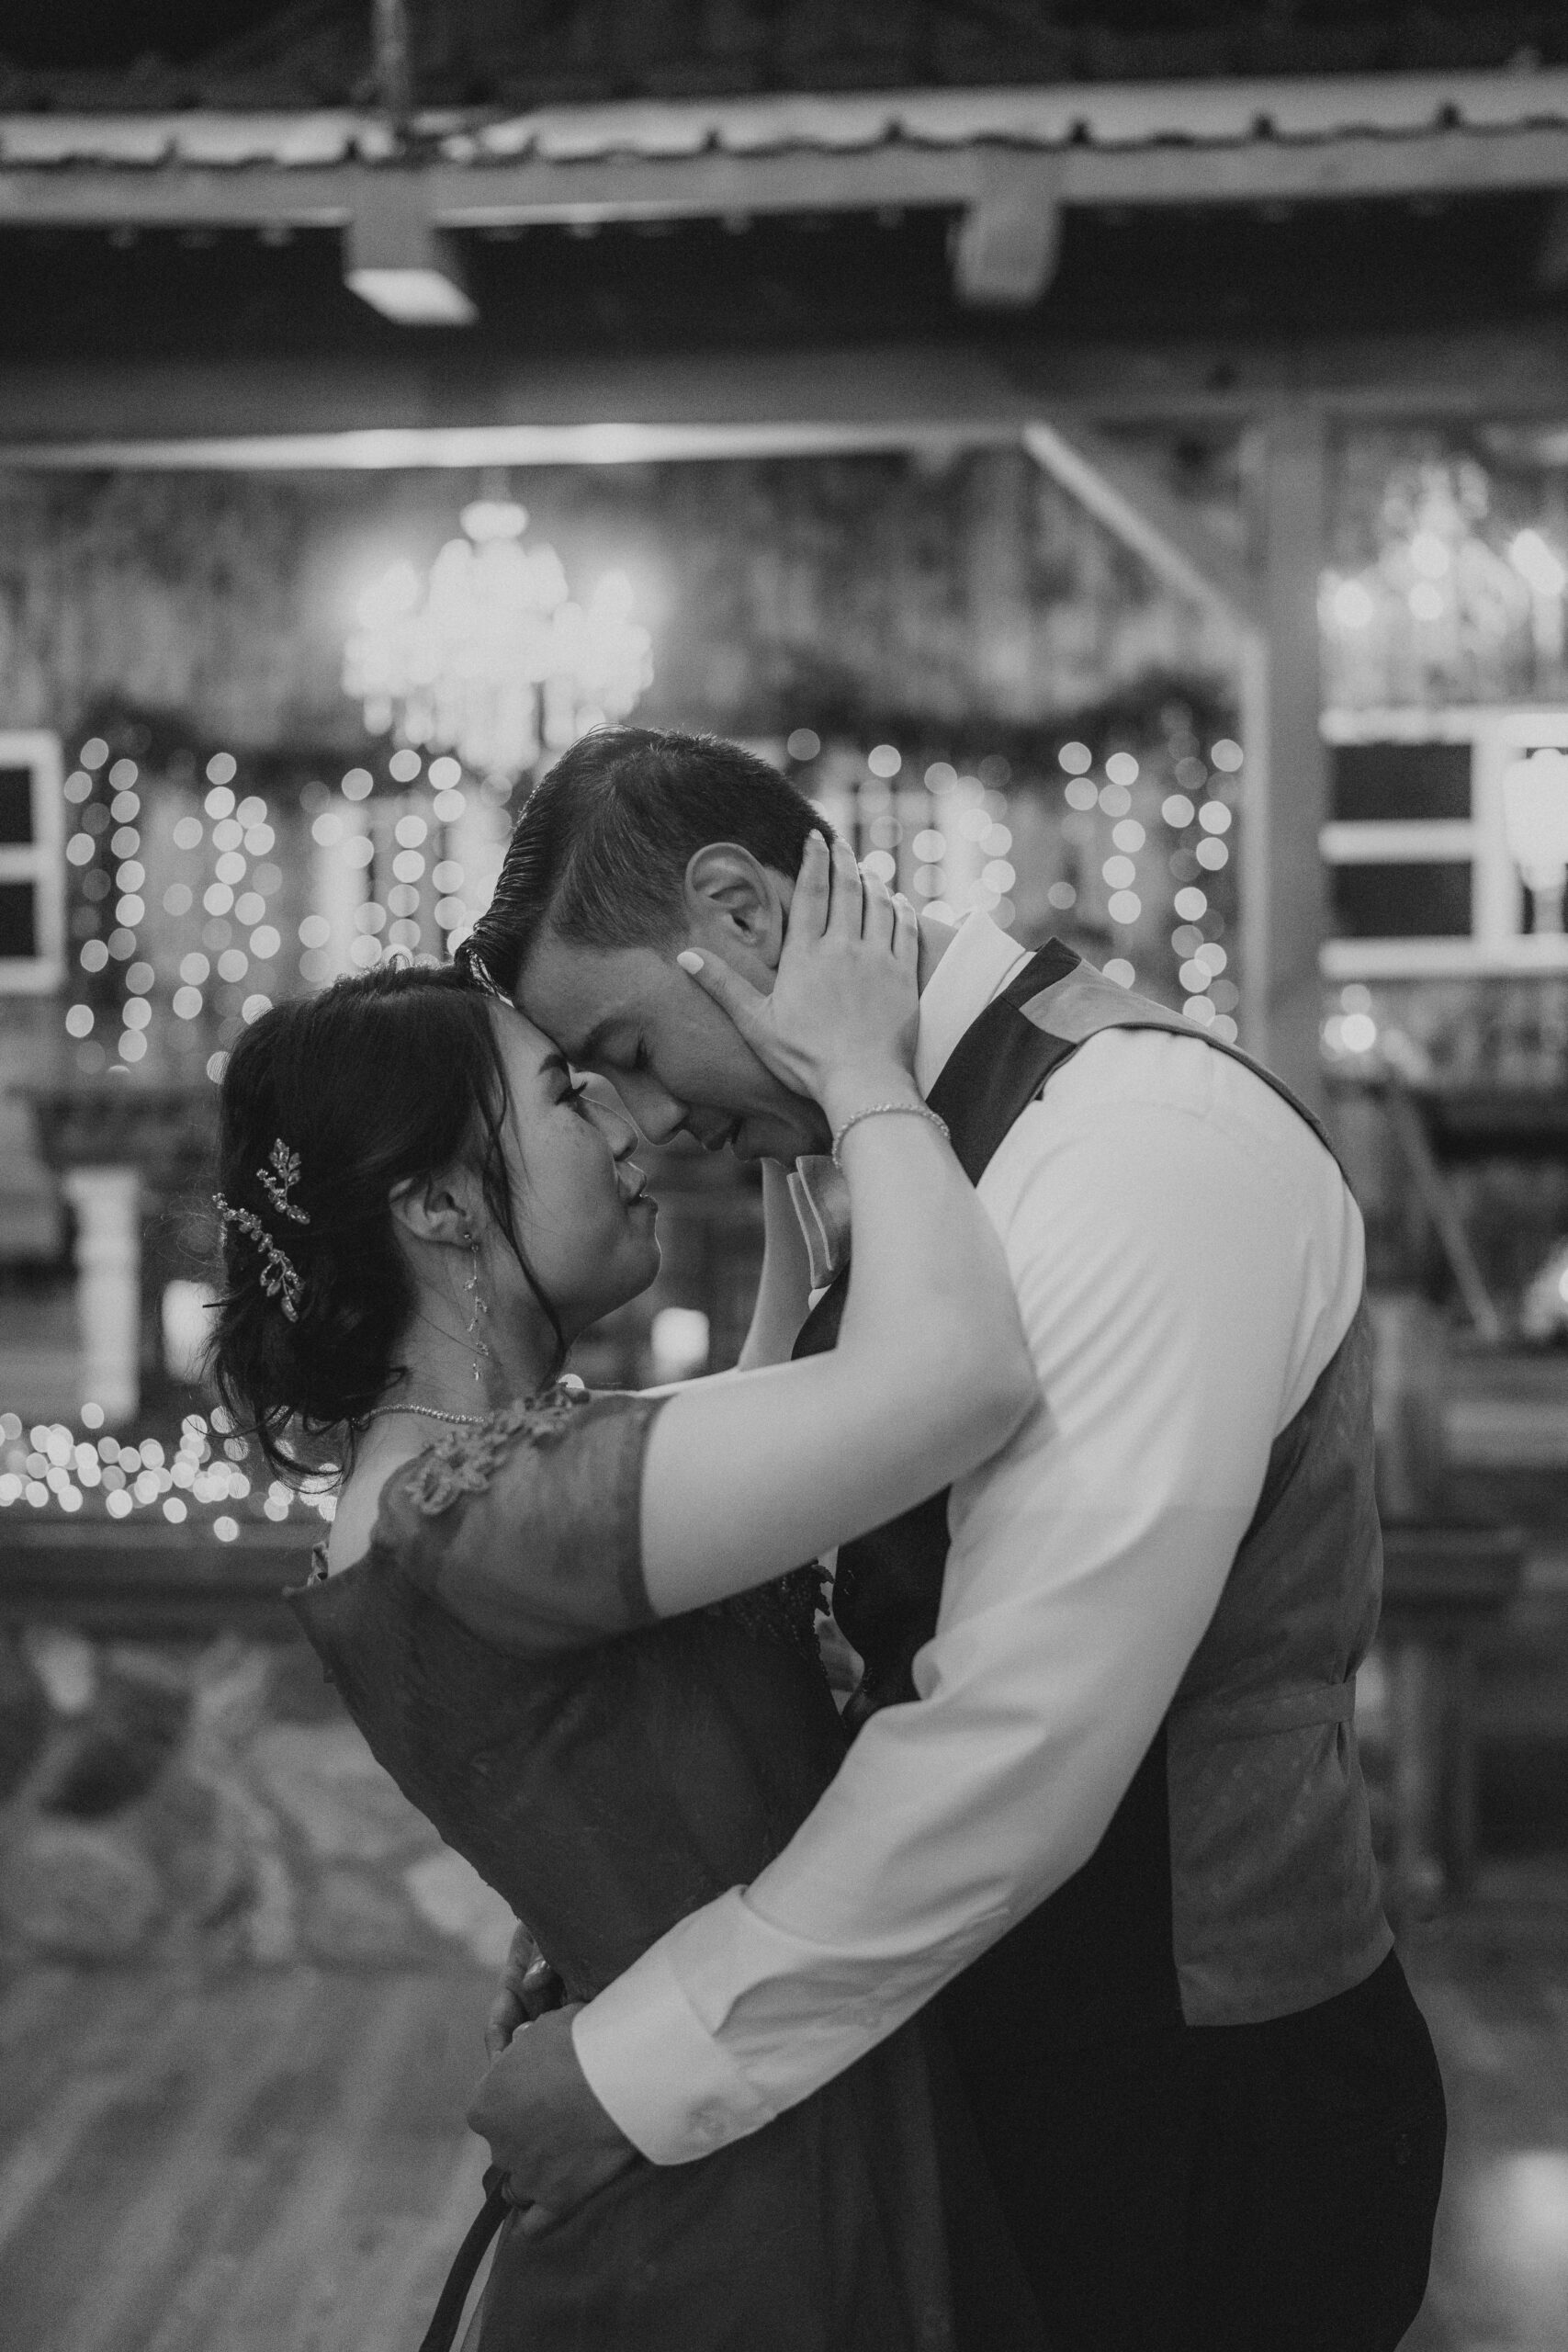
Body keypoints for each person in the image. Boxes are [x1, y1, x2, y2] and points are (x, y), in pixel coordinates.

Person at [456, 725, 1450, 2352]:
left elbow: (1025, 1733)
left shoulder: (1136, 1143)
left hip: (1200, 2095)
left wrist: (652, 2063)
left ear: (743, 910)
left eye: (627, 1044)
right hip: (982, 2042)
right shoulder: (906, 1154)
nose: (641, 1120)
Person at [206, 841, 1046, 2352]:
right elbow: (956, 1383)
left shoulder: (466, 1484)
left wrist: (786, 1191)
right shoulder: (482, 1517)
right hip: (730, 2217)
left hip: (758, 2108)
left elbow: (699, 1561)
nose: (634, 1124)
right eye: (569, 1094)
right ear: (443, 1210)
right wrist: (866, 1082)